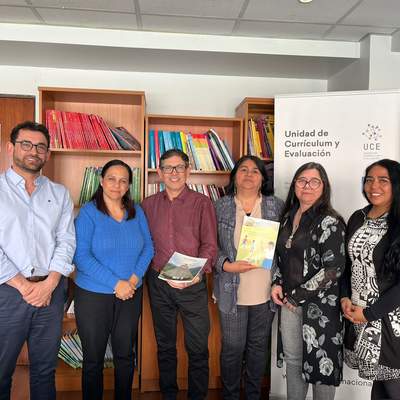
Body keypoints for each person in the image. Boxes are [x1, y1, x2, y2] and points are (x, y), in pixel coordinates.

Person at [0, 121, 76, 400]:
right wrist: (24, 286)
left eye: (40, 146)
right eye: (26, 144)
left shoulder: (59, 193)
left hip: (50, 293)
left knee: (45, 370)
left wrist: (50, 284)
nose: (33, 151)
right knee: (1, 370)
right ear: (11, 147)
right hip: (7, 293)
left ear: (48, 153)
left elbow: (66, 241)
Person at [73, 159, 154, 400]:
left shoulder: (136, 211)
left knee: (125, 355)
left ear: (128, 185)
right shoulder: (88, 213)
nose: (117, 185)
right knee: (93, 359)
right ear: (101, 181)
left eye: (123, 181)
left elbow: (148, 248)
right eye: (111, 179)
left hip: (130, 293)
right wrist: (116, 283)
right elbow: (81, 256)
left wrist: (132, 280)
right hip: (93, 296)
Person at [142, 148, 217, 400]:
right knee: (165, 346)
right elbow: (143, 243)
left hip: (192, 283)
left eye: (179, 167)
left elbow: (209, 245)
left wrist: (197, 274)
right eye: (168, 168)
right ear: (160, 172)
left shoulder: (202, 203)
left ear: (188, 170)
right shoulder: (147, 205)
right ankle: (169, 395)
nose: (173, 173)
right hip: (158, 282)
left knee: (198, 348)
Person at [271, 162, 345, 400]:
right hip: (289, 303)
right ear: (295, 185)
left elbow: (333, 269)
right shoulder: (287, 217)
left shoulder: (330, 221)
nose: (307, 186)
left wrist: (297, 296)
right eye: (302, 180)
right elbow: (279, 256)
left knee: (322, 364)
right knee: (294, 361)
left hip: (321, 306)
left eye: (315, 181)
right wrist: (276, 283)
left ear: (324, 187)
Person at [213, 155, 284, 400]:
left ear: (263, 178)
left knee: (257, 348)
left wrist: (279, 279)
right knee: (232, 348)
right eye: (243, 169)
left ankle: (253, 395)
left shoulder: (276, 206)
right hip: (232, 290)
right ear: (234, 176)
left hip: (265, 291)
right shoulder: (220, 206)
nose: (249, 174)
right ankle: (230, 395)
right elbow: (210, 245)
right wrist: (226, 265)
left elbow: (285, 246)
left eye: (255, 170)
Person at [341, 159, 400, 399]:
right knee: (380, 386)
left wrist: (370, 313)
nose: (374, 186)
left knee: (394, 387)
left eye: (383, 180)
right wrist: (344, 296)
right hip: (359, 315)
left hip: (389, 320)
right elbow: (348, 265)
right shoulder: (358, 217)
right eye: (369, 180)